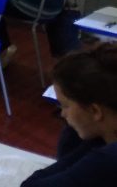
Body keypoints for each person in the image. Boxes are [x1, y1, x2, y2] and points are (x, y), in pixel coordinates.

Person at [22, 43, 117, 185]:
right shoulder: (104, 139)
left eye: (65, 105)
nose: (62, 114)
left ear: (95, 111)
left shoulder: (107, 159)